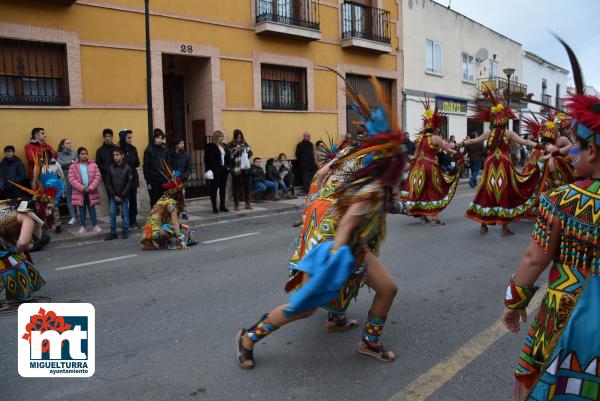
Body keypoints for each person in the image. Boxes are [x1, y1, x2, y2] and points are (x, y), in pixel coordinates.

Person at [236, 81, 406, 369]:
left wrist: (414, 207)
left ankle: (369, 340)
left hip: (354, 249)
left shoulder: (372, 179)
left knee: (387, 288)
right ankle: (248, 337)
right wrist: (334, 257)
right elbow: (349, 219)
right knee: (302, 307)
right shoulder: (370, 188)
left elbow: (331, 181)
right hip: (332, 246)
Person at [502, 41, 600, 401]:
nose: (568, 151)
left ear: (591, 151)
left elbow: (533, 259)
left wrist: (514, 304)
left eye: (575, 144)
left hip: (564, 311)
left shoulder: (562, 200)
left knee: (536, 381)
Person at [462, 88, 542, 236]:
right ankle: (504, 226)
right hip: (504, 164)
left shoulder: (489, 133)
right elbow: (525, 141)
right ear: (505, 120)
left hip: (490, 164)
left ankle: (484, 225)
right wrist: (540, 146)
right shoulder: (508, 133)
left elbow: (473, 140)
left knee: (487, 191)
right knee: (505, 191)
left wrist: (460, 144)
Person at [0, 167, 63, 309]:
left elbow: (14, 236)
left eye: (51, 209)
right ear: (39, 205)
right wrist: (22, 248)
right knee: (14, 265)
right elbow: (22, 243)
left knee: (20, 262)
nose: (49, 213)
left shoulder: (21, 206)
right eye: (47, 208)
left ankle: (14, 296)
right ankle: (15, 297)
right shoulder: (29, 217)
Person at [400, 100, 464, 225]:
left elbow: (414, 156)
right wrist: (459, 155)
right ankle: (434, 217)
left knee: (422, 191)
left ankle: (424, 216)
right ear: (434, 127)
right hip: (430, 167)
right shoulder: (436, 138)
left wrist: (408, 161)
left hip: (418, 168)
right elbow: (447, 149)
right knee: (434, 190)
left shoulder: (419, 139)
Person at [140, 169, 196, 250]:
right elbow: (175, 223)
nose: (183, 193)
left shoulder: (163, 197)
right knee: (182, 228)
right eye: (182, 190)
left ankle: (155, 241)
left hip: (148, 228)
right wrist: (181, 241)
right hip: (156, 231)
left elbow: (151, 212)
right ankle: (158, 241)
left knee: (168, 227)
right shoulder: (171, 205)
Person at [68, 147, 102, 234]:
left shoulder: (93, 165)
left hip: (91, 191)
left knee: (92, 208)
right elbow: (72, 179)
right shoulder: (73, 166)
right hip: (80, 192)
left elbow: (97, 177)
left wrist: (90, 188)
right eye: (82, 154)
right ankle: (82, 226)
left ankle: (95, 225)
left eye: (86, 153)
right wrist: (82, 188)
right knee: (82, 209)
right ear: (78, 155)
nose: (84, 155)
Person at [35, 151, 66, 234]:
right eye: (44, 158)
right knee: (43, 207)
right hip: (43, 189)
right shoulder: (39, 165)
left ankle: (58, 225)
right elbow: (36, 177)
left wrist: (63, 190)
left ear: (50, 157)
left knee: (54, 207)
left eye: (48, 158)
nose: (46, 159)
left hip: (53, 189)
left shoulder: (56, 164)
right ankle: (44, 225)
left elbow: (62, 176)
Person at [104, 148, 132, 240]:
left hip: (124, 195)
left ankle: (125, 230)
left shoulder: (127, 168)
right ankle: (113, 233)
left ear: (122, 155)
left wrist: (122, 195)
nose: (115, 157)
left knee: (125, 213)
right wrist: (114, 195)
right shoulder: (110, 168)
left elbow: (128, 183)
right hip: (114, 195)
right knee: (112, 213)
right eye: (114, 155)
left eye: (117, 155)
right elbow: (108, 183)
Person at [118, 129, 141, 228]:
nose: (130, 139)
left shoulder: (133, 148)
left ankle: (133, 221)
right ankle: (126, 222)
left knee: (133, 201)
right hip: (123, 179)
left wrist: (133, 160)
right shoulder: (118, 149)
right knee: (124, 202)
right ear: (123, 138)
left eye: (131, 137)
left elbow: (137, 162)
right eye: (128, 137)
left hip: (133, 178)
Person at [204, 130, 231, 213]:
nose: (222, 138)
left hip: (224, 170)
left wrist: (228, 167)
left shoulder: (224, 146)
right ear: (216, 137)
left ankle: (222, 205)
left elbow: (228, 157)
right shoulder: (210, 146)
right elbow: (206, 159)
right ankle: (214, 207)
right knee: (214, 189)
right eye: (220, 136)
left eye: (222, 136)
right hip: (215, 170)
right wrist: (208, 170)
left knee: (223, 189)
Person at [228, 129, 253, 211]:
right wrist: (236, 150)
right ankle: (236, 204)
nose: (239, 139)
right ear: (235, 138)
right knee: (236, 187)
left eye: (240, 137)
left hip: (245, 168)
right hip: (236, 169)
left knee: (247, 186)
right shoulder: (231, 145)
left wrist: (247, 150)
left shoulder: (245, 144)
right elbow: (230, 157)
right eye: (238, 137)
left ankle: (247, 203)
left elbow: (250, 154)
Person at [143, 129, 169, 208]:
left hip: (164, 179)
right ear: (154, 138)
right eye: (157, 138)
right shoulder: (149, 150)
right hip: (153, 179)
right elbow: (146, 166)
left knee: (164, 200)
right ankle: (154, 219)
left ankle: (163, 218)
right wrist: (148, 181)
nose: (159, 140)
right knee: (154, 200)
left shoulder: (165, 149)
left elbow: (168, 164)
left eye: (161, 138)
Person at [168, 139, 191, 219]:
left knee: (182, 195)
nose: (182, 145)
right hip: (173, 178)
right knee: (173, 196)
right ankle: (173, 213)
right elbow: (168, 165)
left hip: (182, 178)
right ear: (176, 145)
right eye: (180, 143)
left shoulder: (185, 155)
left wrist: (185, 175)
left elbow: (188, 167)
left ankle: (183, 212)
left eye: (183, 143)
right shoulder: (170, 154)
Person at [57, 139, 78, 225]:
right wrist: (71, 162)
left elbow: (77, 162)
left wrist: (69, 163)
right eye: (67, 143)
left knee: (78, 196)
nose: (70, 144)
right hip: (66, 177)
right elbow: (60, 164)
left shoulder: (74, 152)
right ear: (62, 146)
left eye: (70, 143)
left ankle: (79, 215)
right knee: (69, 197)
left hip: (76, 176)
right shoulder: (59, 154)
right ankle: (72, 216)